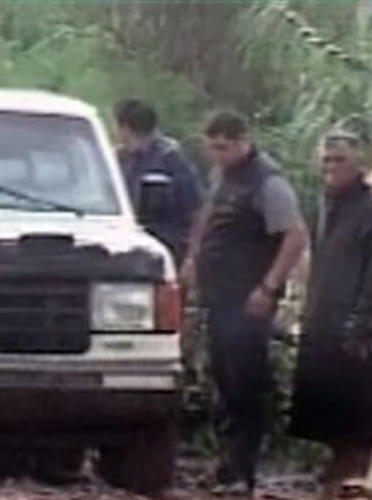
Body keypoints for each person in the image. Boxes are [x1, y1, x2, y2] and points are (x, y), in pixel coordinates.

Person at [185, 110, 308, 496]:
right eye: (211, 147)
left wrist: (269, 287)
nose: (216, 155)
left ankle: (243, 471)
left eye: (223, 147)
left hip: (248, 300)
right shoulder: (225, 176)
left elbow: (295, 236)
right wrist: (193, 257)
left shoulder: (267, 182)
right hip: (219, 297)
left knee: (244, 384)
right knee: (223, 380)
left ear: (242, 141)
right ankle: (227, 465)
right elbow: (207, 216)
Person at [290, 130, 372, 500]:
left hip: (356, 323)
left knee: (355, 416)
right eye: (326, 160)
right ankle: (337, 475)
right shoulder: (325, 203)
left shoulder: (368, 205)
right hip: (322, 317)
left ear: (359, 162)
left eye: (340, 159)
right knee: (326, 410)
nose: (332, 167)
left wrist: (361, 322)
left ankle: (350, 478)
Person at [114, 98, 204, 265]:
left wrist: (192, 257)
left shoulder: (171, 159)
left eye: (119, 128)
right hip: (126, 245)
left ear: (126, 128)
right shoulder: (120, 158)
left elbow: (196, 210)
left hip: (166, 249)